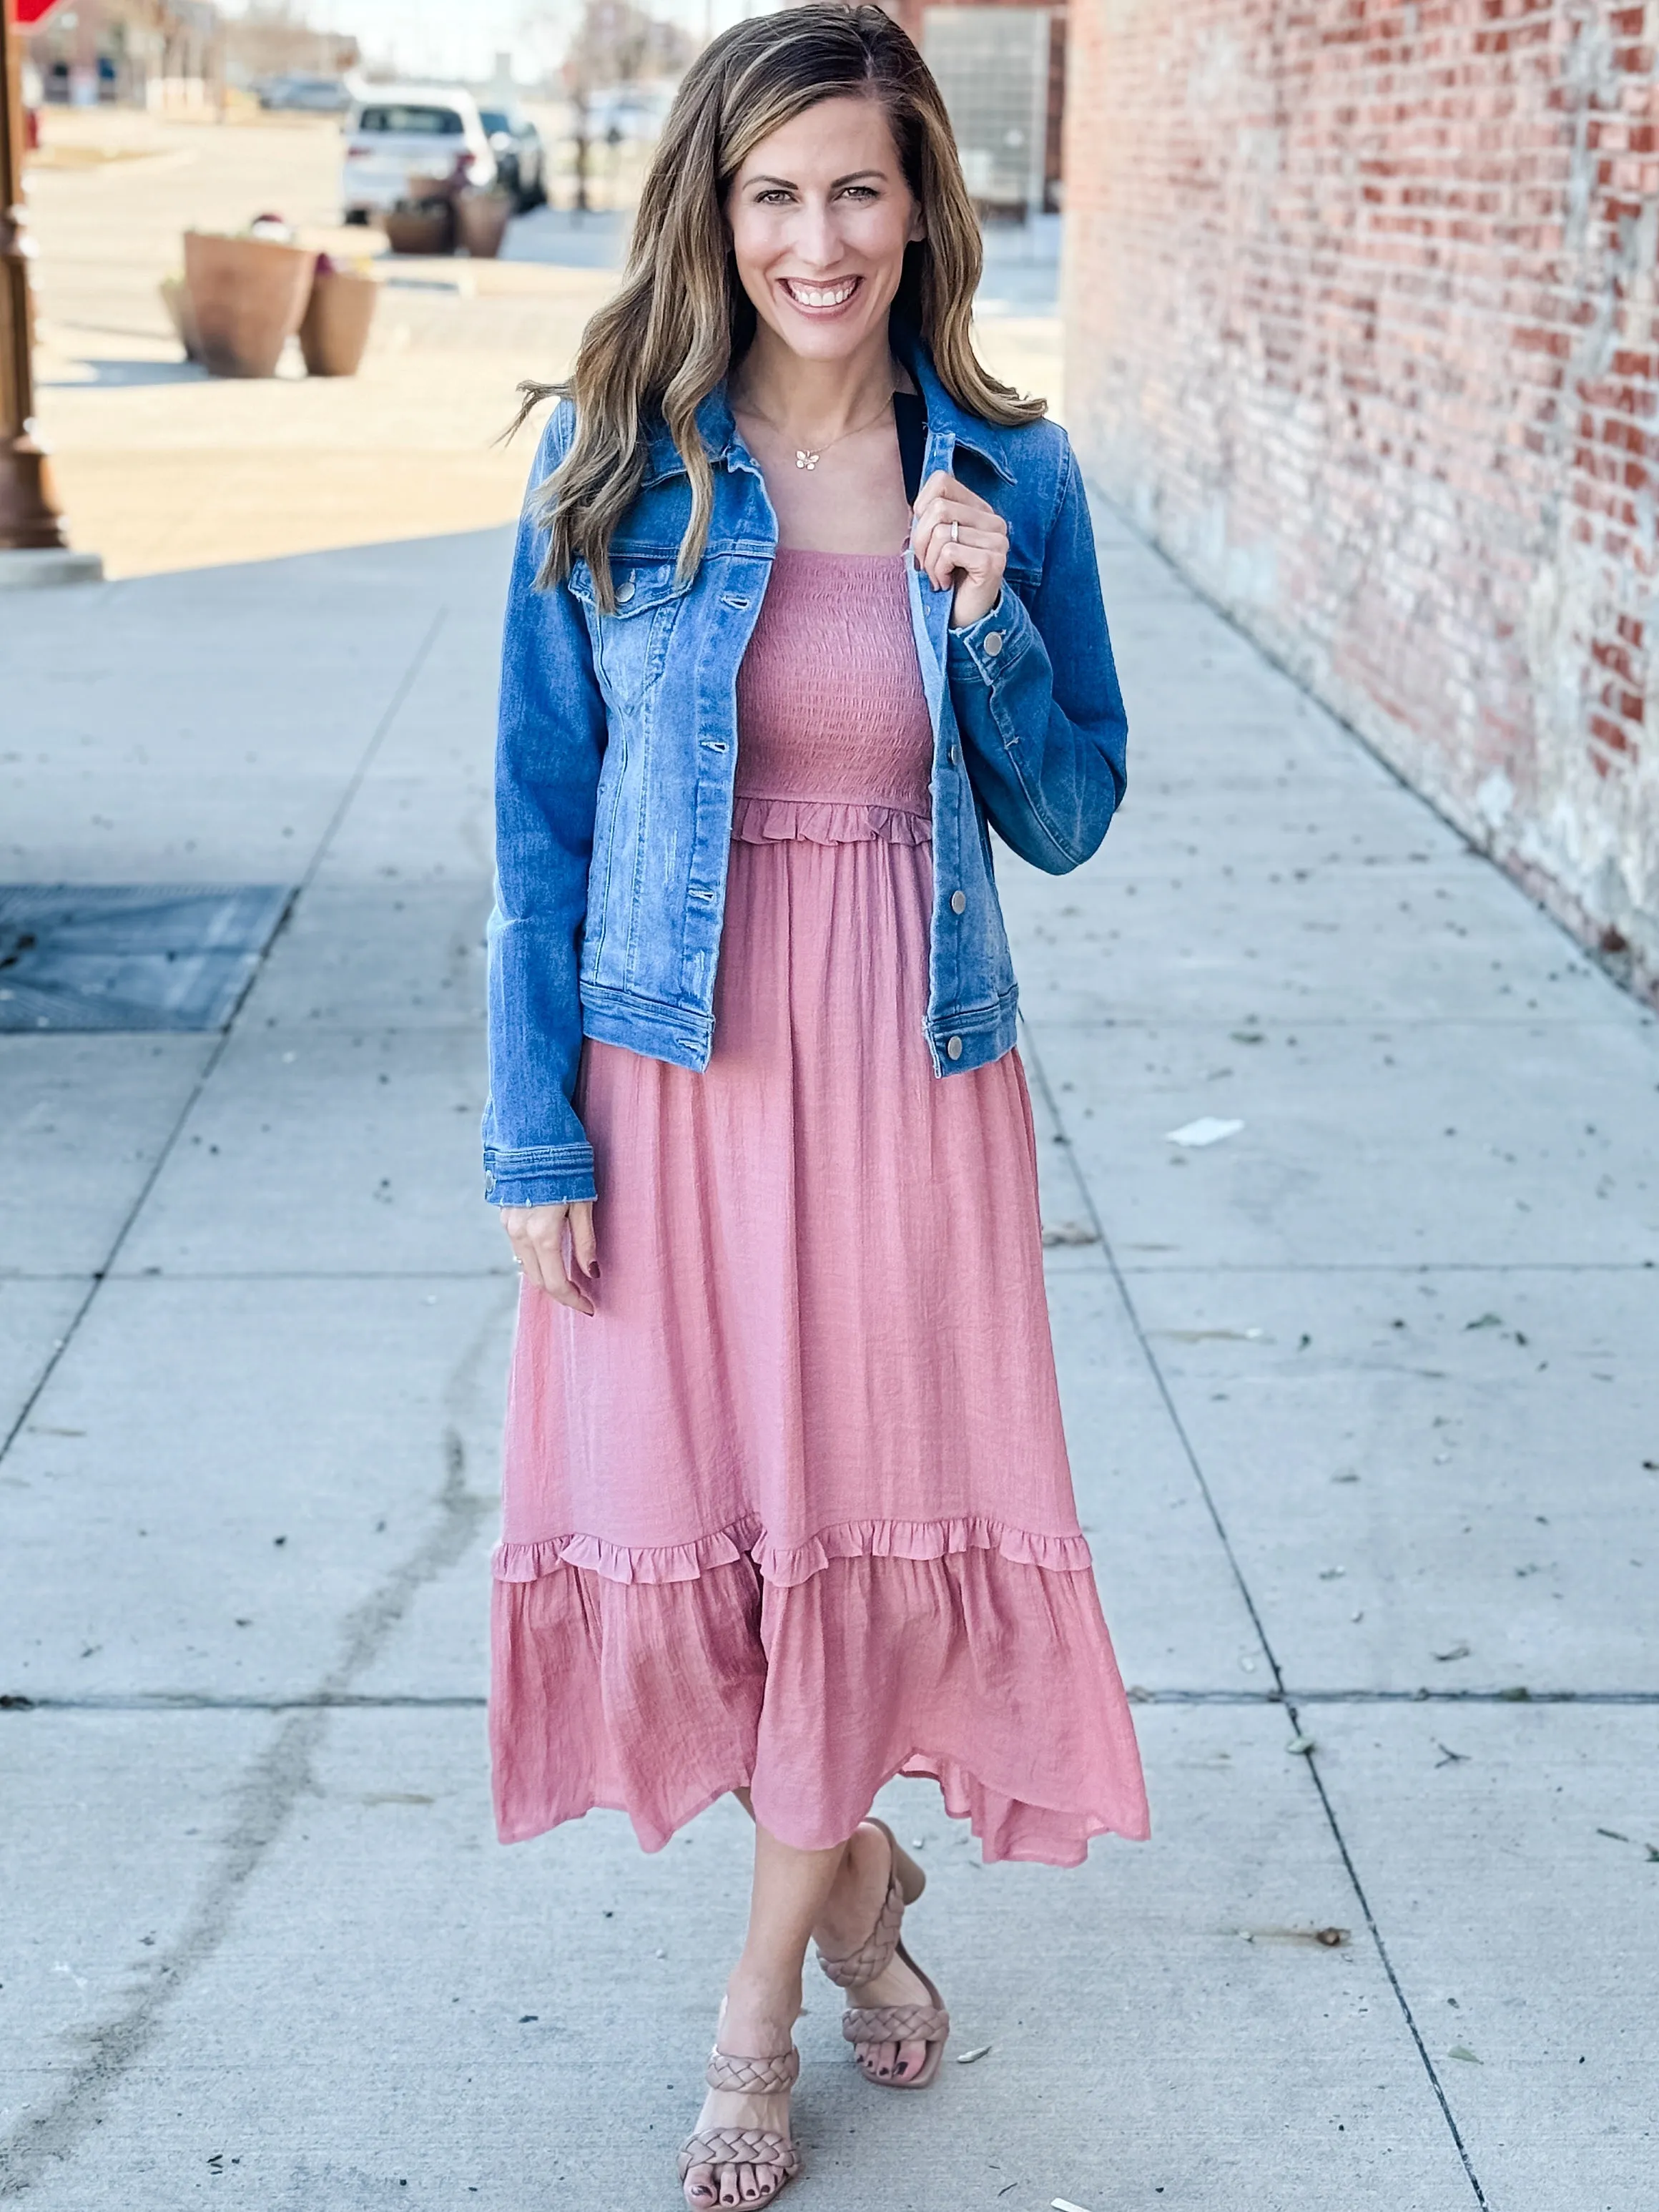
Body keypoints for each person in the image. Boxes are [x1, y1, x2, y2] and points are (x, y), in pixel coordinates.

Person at [482, 8, 1148, 2203]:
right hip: (674, 1076)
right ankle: (863, 1897)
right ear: (716, 211)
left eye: (857, 186)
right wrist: (534, 1140)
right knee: (727, 1565)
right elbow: (537, 832)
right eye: (775, 192)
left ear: (920, 202)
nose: (819, 236)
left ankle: (758, 2016)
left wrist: (988, 623)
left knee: (843, 1545)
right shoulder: (617, 455)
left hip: (905, 1089)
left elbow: (1071, 811)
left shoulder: (1012, 480)